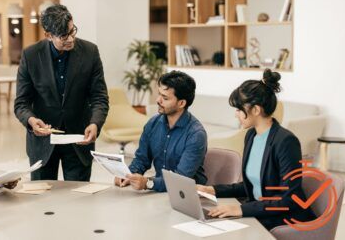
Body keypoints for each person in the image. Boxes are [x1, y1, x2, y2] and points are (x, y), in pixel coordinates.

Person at [197, 69, 316, 230]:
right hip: (260, 212)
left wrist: (241, 209)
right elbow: (252, 185)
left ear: (255, 110)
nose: (236, 115)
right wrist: (213, 190)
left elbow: (289, 199)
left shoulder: (286, 141)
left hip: (283, 221)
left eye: (239, 109)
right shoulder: (251, 135)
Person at [14, 4, 109, 181]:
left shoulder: (90, 52)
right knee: (42, 200)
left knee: (78, 200)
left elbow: (99, 97)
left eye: (73, 31)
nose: (71, 39)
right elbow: (21, 103)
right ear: (48, 35)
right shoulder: (31, 55)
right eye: (64, 36)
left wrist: (95, 123)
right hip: (42, 142)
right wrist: (31, 121)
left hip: (79, 140)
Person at [115, 71, 207, 192]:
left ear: (181, 103)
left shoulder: (196, 134)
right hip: (159, 192)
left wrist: (148, 183)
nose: (158, 100)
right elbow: (141, 159)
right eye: (159, 94)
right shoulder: (153, 123)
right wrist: (128, 175)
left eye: (165, 98)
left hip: (187, 196)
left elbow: (180, 179)